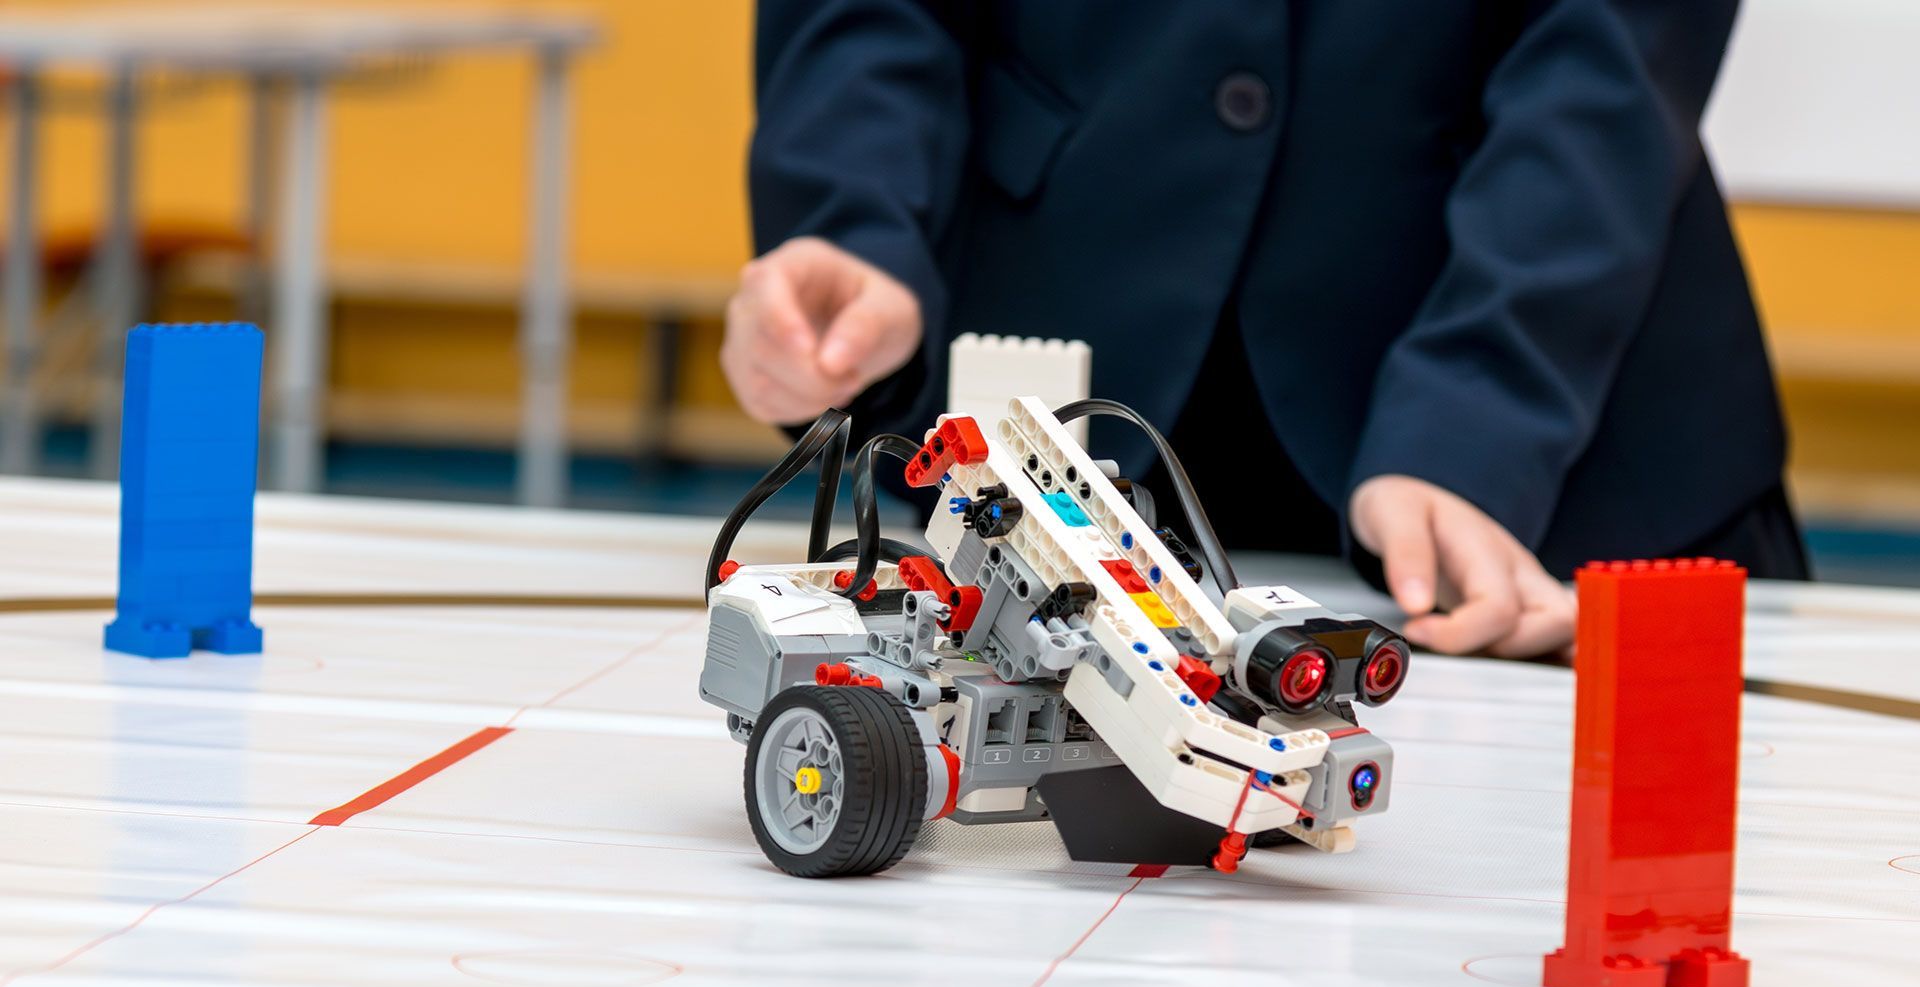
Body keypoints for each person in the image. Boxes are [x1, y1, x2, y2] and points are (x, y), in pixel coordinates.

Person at [721, 2, 1808, 659]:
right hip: (1041, 388)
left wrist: (1480, 420)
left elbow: (1606, 53)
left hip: (1538, 427)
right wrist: (856, 223)